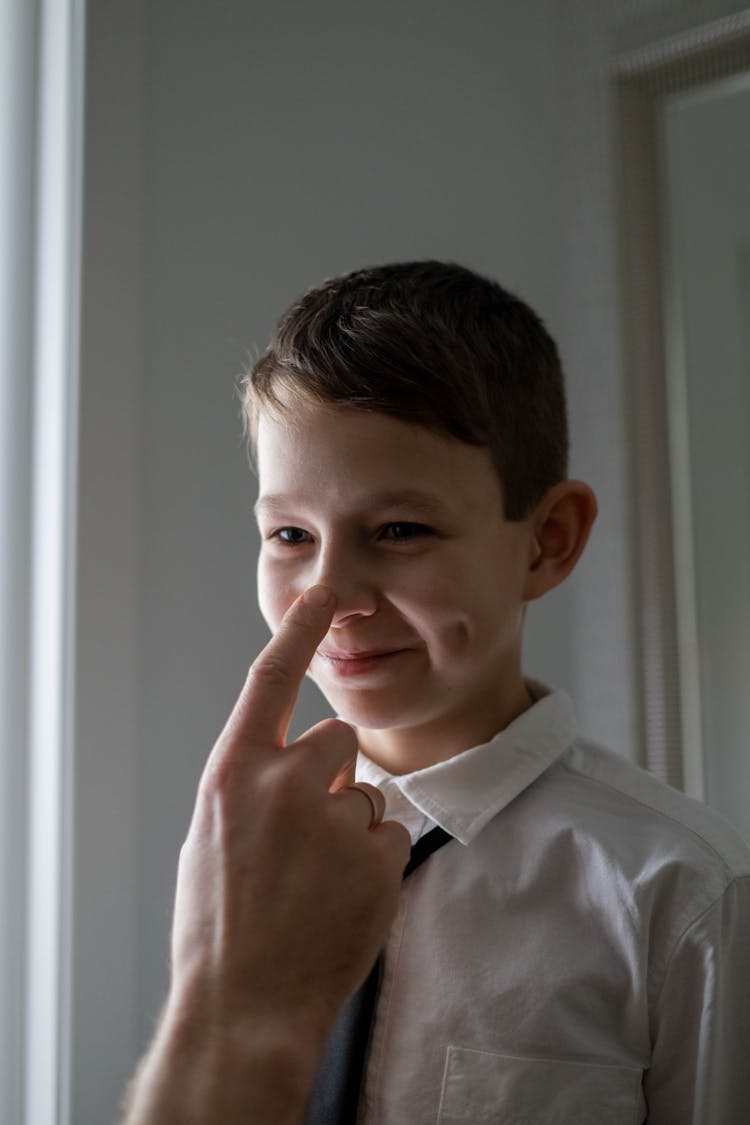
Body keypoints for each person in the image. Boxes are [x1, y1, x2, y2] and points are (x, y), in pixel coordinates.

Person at [128, 260, 750, 1123]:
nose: (333, 593)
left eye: (399, 529)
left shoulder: (680, 894)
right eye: (289, 533)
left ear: (547, 541)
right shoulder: (246, 857)